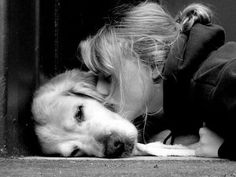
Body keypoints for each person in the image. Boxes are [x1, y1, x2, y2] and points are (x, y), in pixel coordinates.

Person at [78, 1, 236, 160]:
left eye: (108, 77)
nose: (99, 90)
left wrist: (223, 147)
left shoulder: (216, 78)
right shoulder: (179, 94)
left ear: (153, 63)